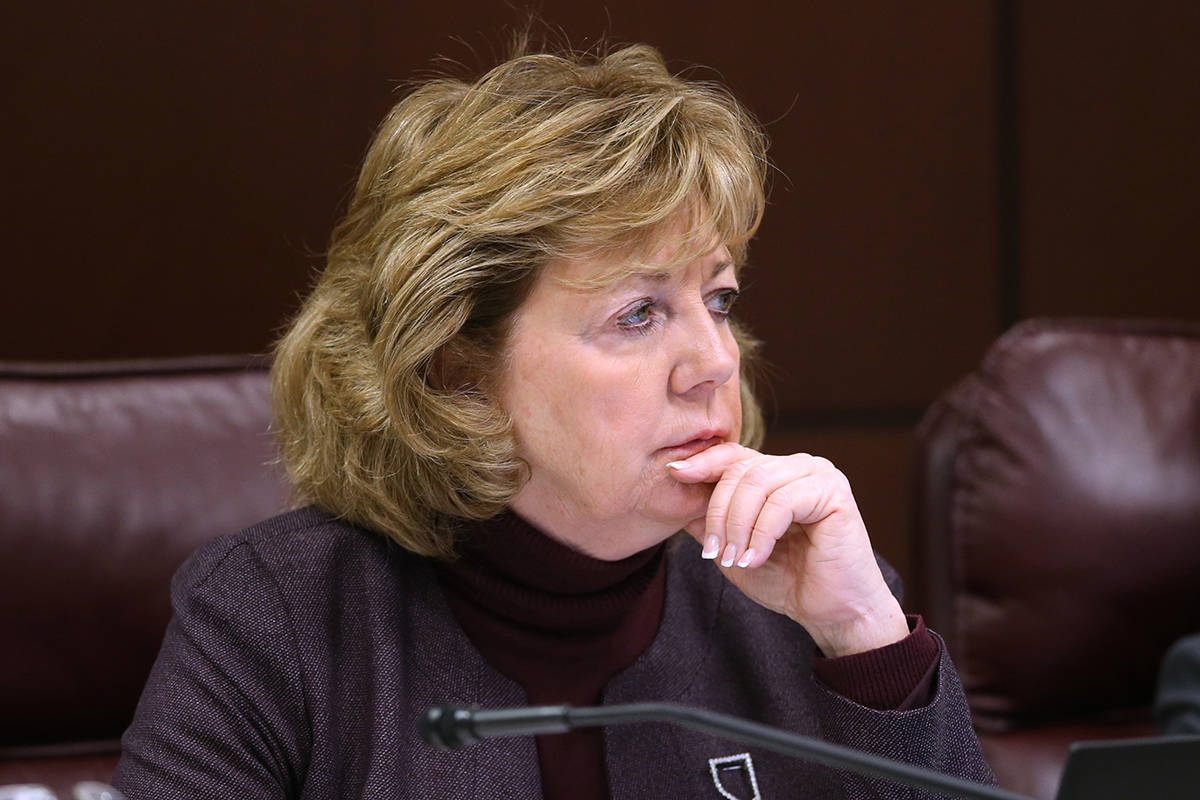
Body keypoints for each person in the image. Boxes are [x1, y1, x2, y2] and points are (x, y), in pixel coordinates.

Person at [112, 41, 995, 799]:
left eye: (718, 299)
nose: (717, 361)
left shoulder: (803, 600)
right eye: (638, 314)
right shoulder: (281, 615)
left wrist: (867, 646)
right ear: (455, 365)